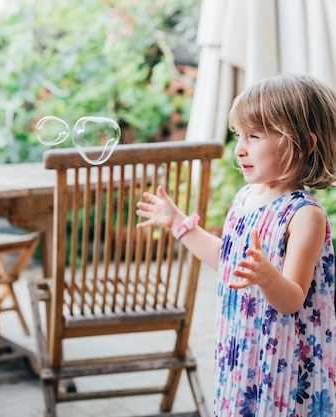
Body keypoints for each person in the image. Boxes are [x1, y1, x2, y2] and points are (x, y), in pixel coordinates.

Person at [136, 73, 336, 416]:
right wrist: (180, 225)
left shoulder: (305, 215)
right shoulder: (245, 197)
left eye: (254, 136)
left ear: (302, 144)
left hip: (285, 363)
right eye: (237, 136)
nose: (239, 148)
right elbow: (228, 259)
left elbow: (292, 298)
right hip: (242, 349)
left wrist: (267, 277)